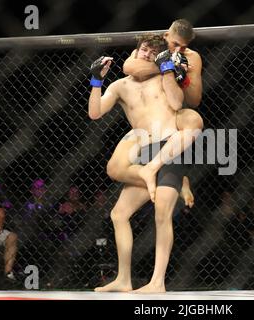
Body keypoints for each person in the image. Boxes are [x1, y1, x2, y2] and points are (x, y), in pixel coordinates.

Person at [89, 34, 193, 293]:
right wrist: (96, 81)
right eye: (143, 49)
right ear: (136, 52)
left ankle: (157, 283)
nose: (146, 54)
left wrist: (168, 70)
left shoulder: (162, 76)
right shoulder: (121, 85)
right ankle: (124, 279)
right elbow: (95, 113)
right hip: (143, 150)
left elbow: (178, 102)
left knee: (162, 214)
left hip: (169, 147)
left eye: (151, 52)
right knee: (119, 214)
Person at [105, 19, 204, 202]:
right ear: (166, 35)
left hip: (174, 115)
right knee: (114, 169)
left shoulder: (191, 57)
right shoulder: (148, 49)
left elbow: (195, 99)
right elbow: (129, 67)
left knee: (194, 119)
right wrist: (166, 66)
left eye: (182, 47)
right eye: (174, 44)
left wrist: (184, 79)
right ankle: (175, 181)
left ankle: (169, 179)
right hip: (146, 121)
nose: (177, 50)